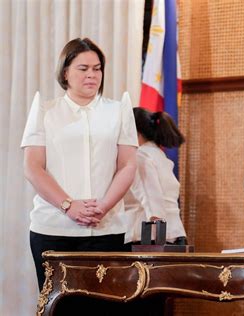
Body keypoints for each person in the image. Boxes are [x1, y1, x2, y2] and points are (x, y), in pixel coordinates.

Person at [21, 37, 138, 292]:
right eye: (83, 69)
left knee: (103, 307)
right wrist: (68, 205)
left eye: (97, 69)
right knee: (58, 306)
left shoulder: (118, 110)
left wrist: (104, 206)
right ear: (65, 72)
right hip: (52, 228)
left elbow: (127, 165)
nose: (92, 75)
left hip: (106, 229)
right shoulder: (46, 110)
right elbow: (32, 167)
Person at [123, 108, 187, 249]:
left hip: (149, 238)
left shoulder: (140, 156)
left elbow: (149, 194)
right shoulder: (158, 154)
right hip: (173, 233)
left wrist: (156, 218)